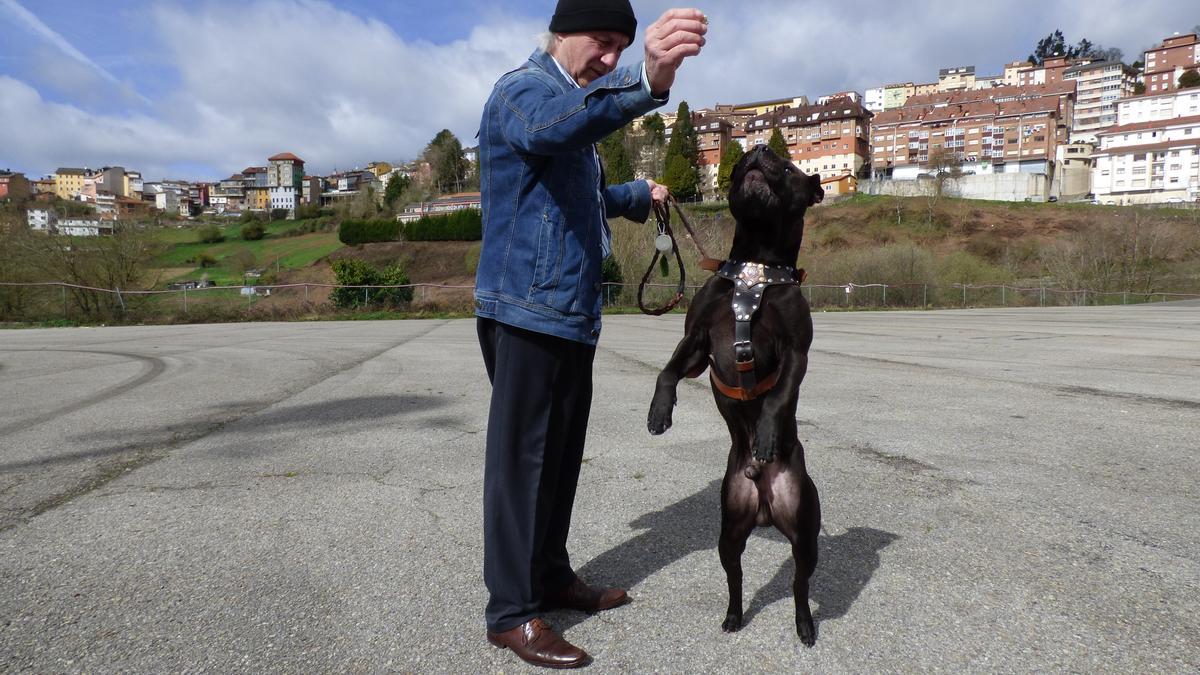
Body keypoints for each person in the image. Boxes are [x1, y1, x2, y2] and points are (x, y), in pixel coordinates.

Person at [473, 0, 706, 668]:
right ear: (562, 34)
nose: (607, 57)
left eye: (620, 47)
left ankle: (548, 575)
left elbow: (574, 195)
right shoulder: (525, 92)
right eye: (601, 42)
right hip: (524, 308)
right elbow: (555, 130)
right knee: (521, 463)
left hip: (569, 311)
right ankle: (511, 612)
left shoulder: (568, 102)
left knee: (560, 456)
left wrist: (635, 194)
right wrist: (647, 81)